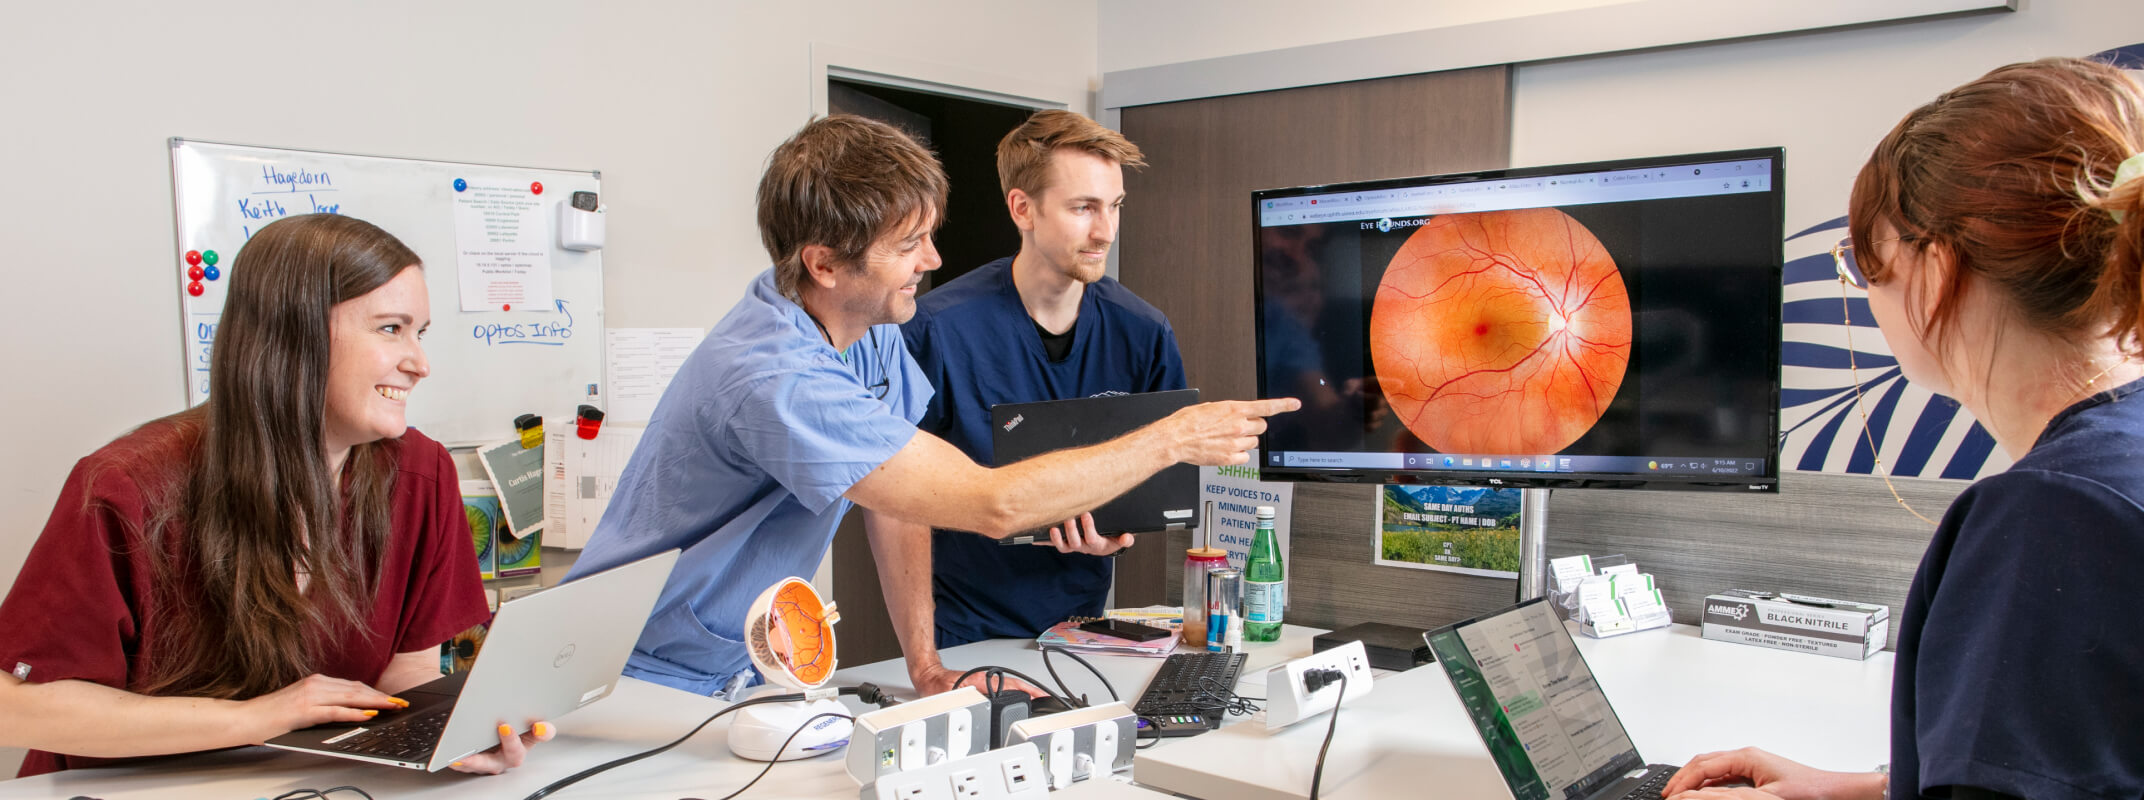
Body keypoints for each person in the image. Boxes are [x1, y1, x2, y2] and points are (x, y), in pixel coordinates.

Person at [563, 114, 1297, 698]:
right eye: (910, 243)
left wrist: (925, 667)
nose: (934, 260)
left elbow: (900, 498)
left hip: (746, 661)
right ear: (823, 263)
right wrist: (1171, 439)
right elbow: (992, 502)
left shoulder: (869, 329)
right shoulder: (777, 376)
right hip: (638, 669)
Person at [1662, 57, 2144, 800]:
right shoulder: (2115, 463)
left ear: (1937, 272)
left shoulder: (2054, 515)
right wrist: (1858, 788)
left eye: (1866, 263)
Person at [0, 214, 551, 776]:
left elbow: (404, 675)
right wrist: (263, 717)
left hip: (305, 782)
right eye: (391, 329)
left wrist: (443, 731)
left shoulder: (421, 474)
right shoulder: (127, 487)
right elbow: (12, 708)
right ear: (295, 335)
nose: (419, 363)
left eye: (421, 332)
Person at [878, 110, 1178, 693]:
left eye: (1114, 206)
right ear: (1022, 209)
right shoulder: (938, 329)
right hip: (965, 632)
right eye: (1083, 207)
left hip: (1088, 631)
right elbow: (893, 495)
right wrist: (926, 666)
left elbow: (1152, 479)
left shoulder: (1144, 332)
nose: (1106, 231)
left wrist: (1120, 533)